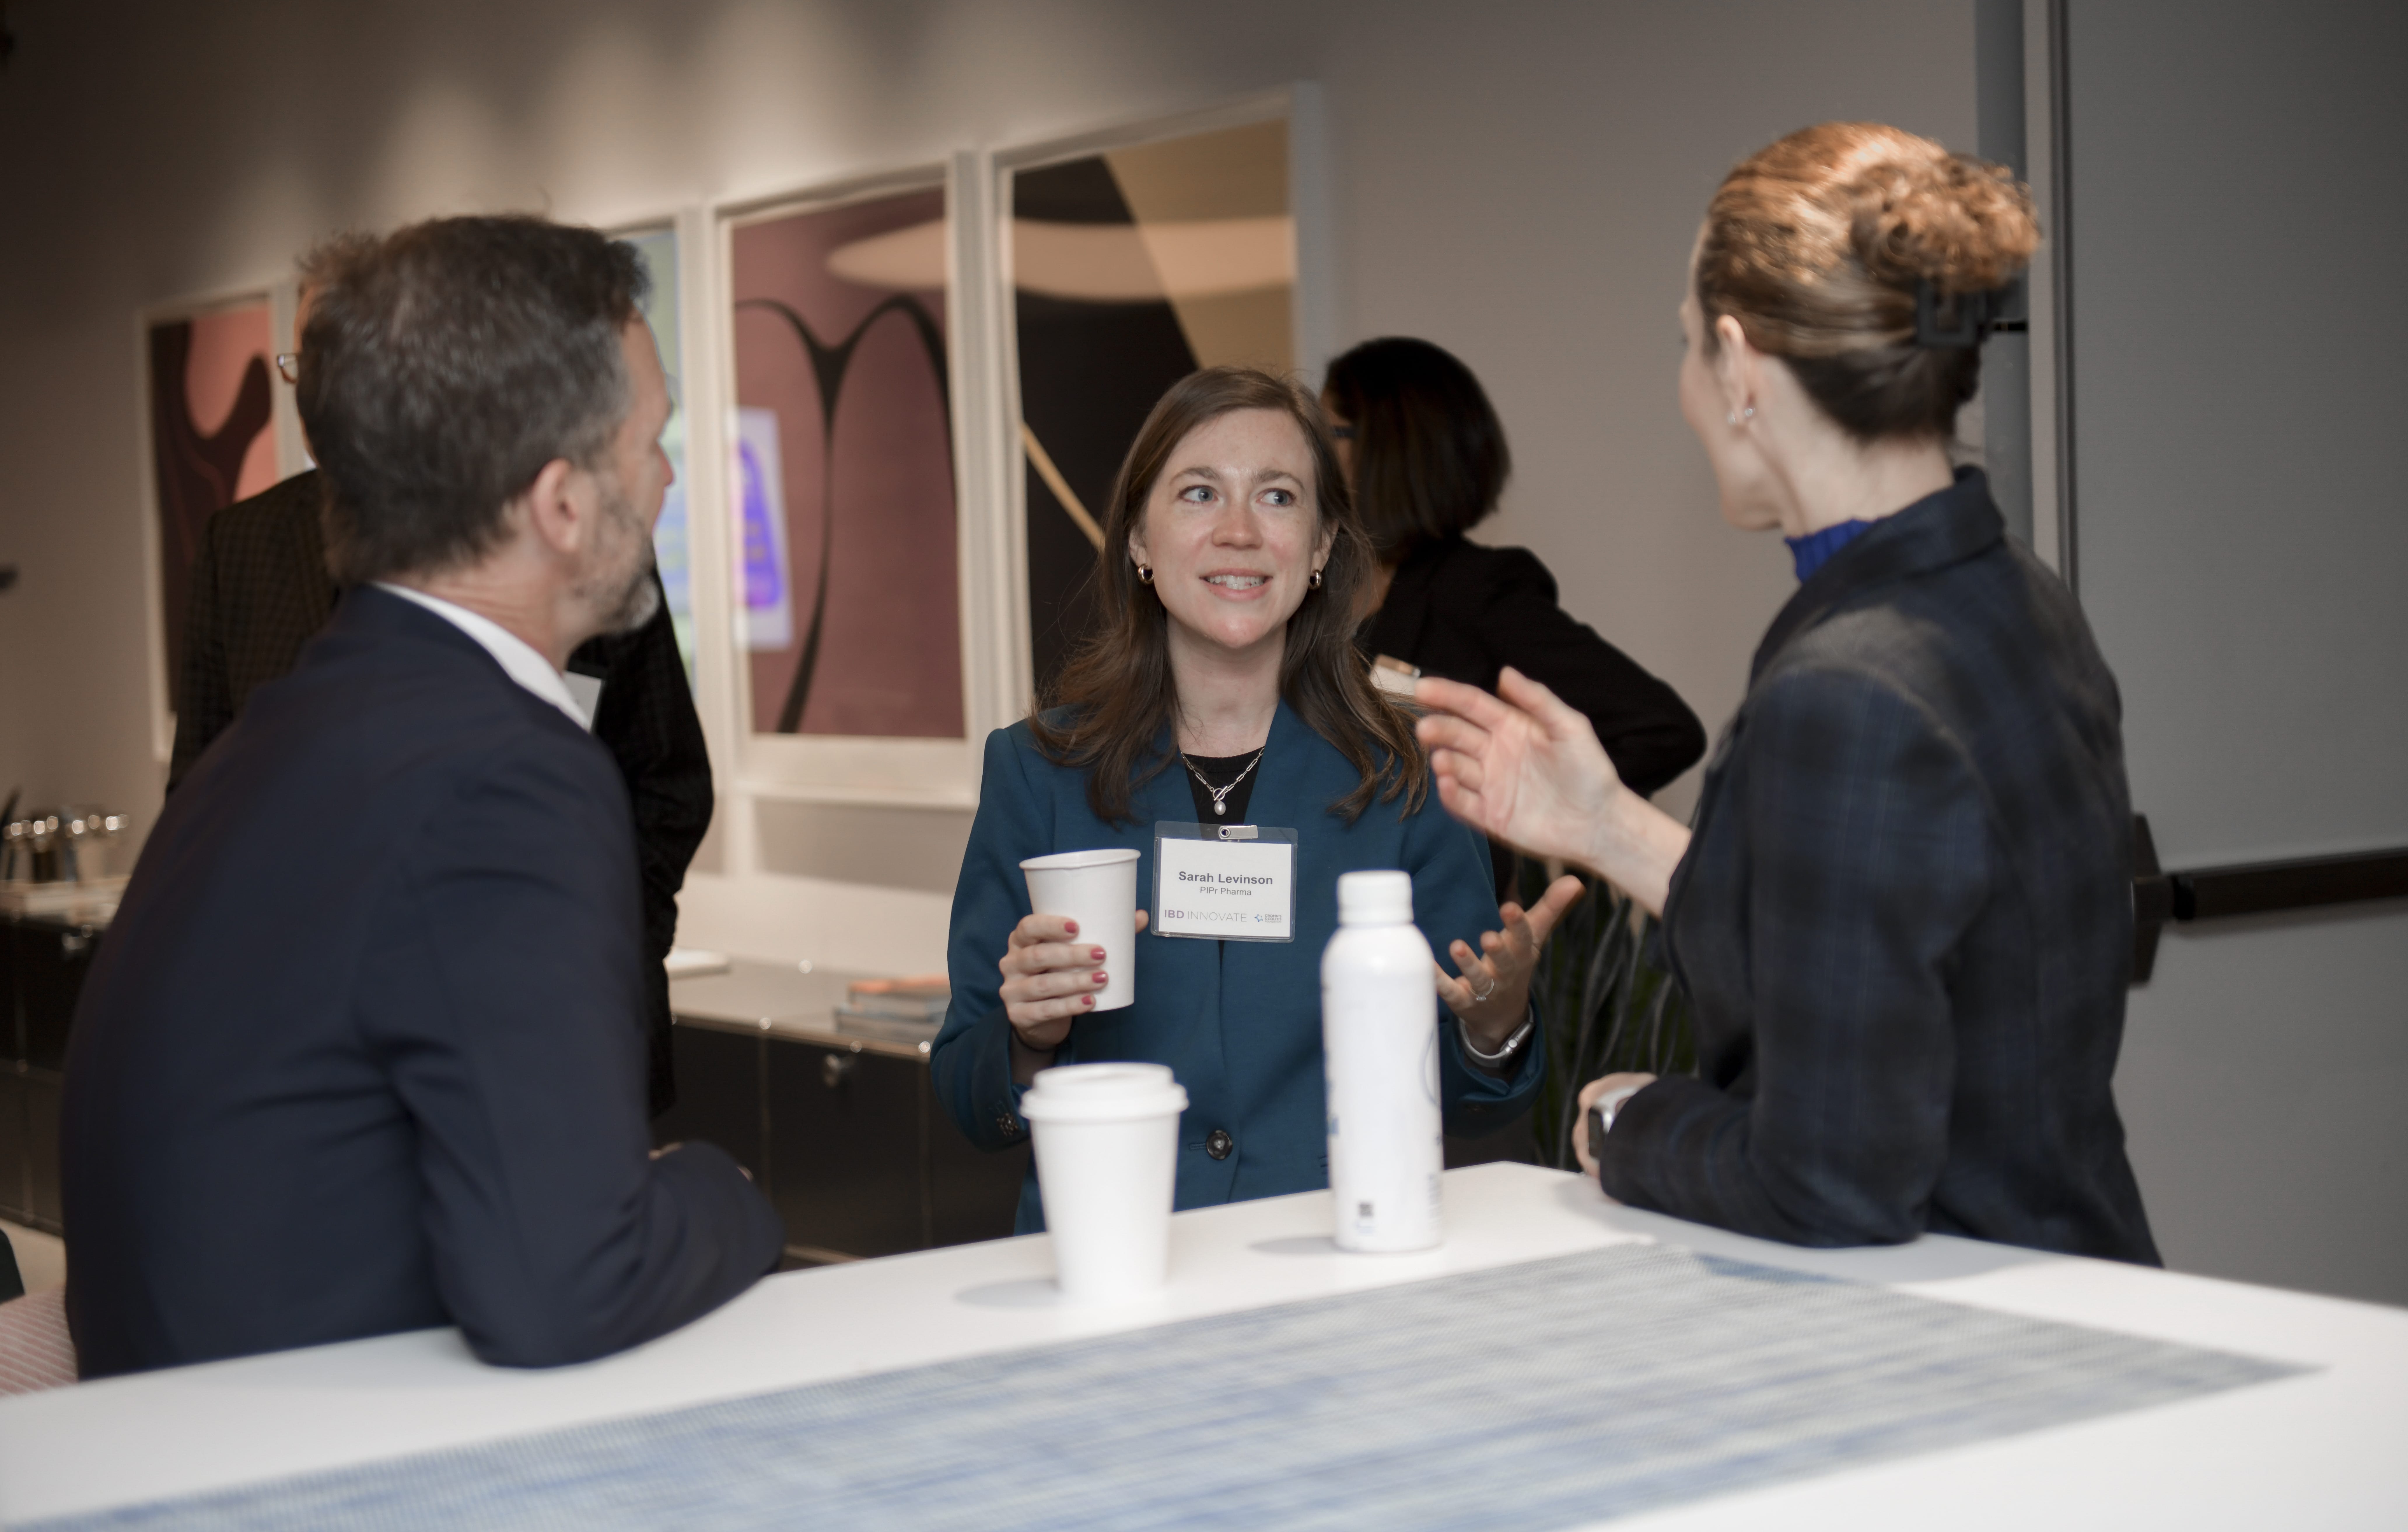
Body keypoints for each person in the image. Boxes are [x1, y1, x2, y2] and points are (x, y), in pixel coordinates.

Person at [1416, 122, 2159, 1265]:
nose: (1685, 388)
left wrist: (1629, 1123)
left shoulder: (1847, 687)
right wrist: (1605, 825)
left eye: (1683, 348)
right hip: (2069, 1265)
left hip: (1967, 1329)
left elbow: (1831, 1180)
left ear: (1741, 362)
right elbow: (1888, 940)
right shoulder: (2012, 596)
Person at [64, 216, 783, 1378]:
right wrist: (727, 1191)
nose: (667, 477)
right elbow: (567, 1288)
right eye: (650, 441)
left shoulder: (288, 734)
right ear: (559, 504)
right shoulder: (506, 772)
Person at [932, 368, 1584, 1230]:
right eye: (1199, 493)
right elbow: (969, 1101)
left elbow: (1471, 1105)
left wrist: (1493, 1028)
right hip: (1112, 1255)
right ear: (1139, 536)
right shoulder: (1038, 770)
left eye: (1277, 497)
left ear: (1319, 549)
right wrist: (1028, 1037)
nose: (1238, 532)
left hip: (1332, 1264)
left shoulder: (1406, 778)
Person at [167, 248, 709, 1121]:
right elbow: (201, 800)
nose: (323, 393)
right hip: (345, 1079)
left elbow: (668, 784)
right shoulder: (250, 552)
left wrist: (606, 947)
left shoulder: (588, 565)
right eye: (307, 364)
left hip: (572, 1043)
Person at [1322, 337, 1705, 898]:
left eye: (1328, 432)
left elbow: (1661, 729)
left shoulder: (1474, 590)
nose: (1308, 453)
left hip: (1437, 924)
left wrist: (1527, 804)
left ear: (1385, 449)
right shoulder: (1315, 586)